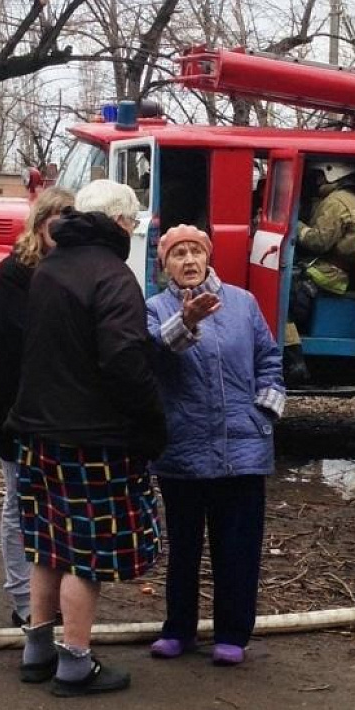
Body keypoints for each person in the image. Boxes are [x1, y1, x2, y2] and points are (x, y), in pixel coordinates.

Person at [7, 179, 166, 697]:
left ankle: (38, 648)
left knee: (47, 546)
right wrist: (150, 422)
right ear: (120, 222)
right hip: (92, 439)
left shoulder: (51, 268)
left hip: (39, 431)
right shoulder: (112, 274)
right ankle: (75, 662)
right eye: (134, 221)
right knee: (85, 555)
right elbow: (124, 359)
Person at [145, 224, 285, 666]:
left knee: (238, 547)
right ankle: (179, 630)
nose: (188, 261)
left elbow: (270, 358)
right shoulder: (153, 309)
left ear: (208, 257)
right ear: (163, 263)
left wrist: (263, 409)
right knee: (183, 549)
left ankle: (232, 634)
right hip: (182, 448)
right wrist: (185, 321)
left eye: (195, 252)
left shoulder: (242, 303)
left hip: (243, 447)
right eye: (177, 254)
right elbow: (150, 355)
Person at [0, 187, 74, 628]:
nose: (59, 230)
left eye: (69, 221)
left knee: (58, 507)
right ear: (38, 222)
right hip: (18, 405)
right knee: (18, 504)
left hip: (63, 411)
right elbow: (28, 335)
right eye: (53, 220)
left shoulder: (79, 270)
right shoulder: (14, 271)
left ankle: (53, 600)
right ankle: (23, 600)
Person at [284, 160, 355, 383]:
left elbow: (319, 242)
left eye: (320, 176)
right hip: (334, 269)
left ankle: (294, 363)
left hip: (328, 273)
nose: (317, 180)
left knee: (281, 302)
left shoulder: (336, 201)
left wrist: (295, 225)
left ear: (333, 173)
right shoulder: (347, 198)